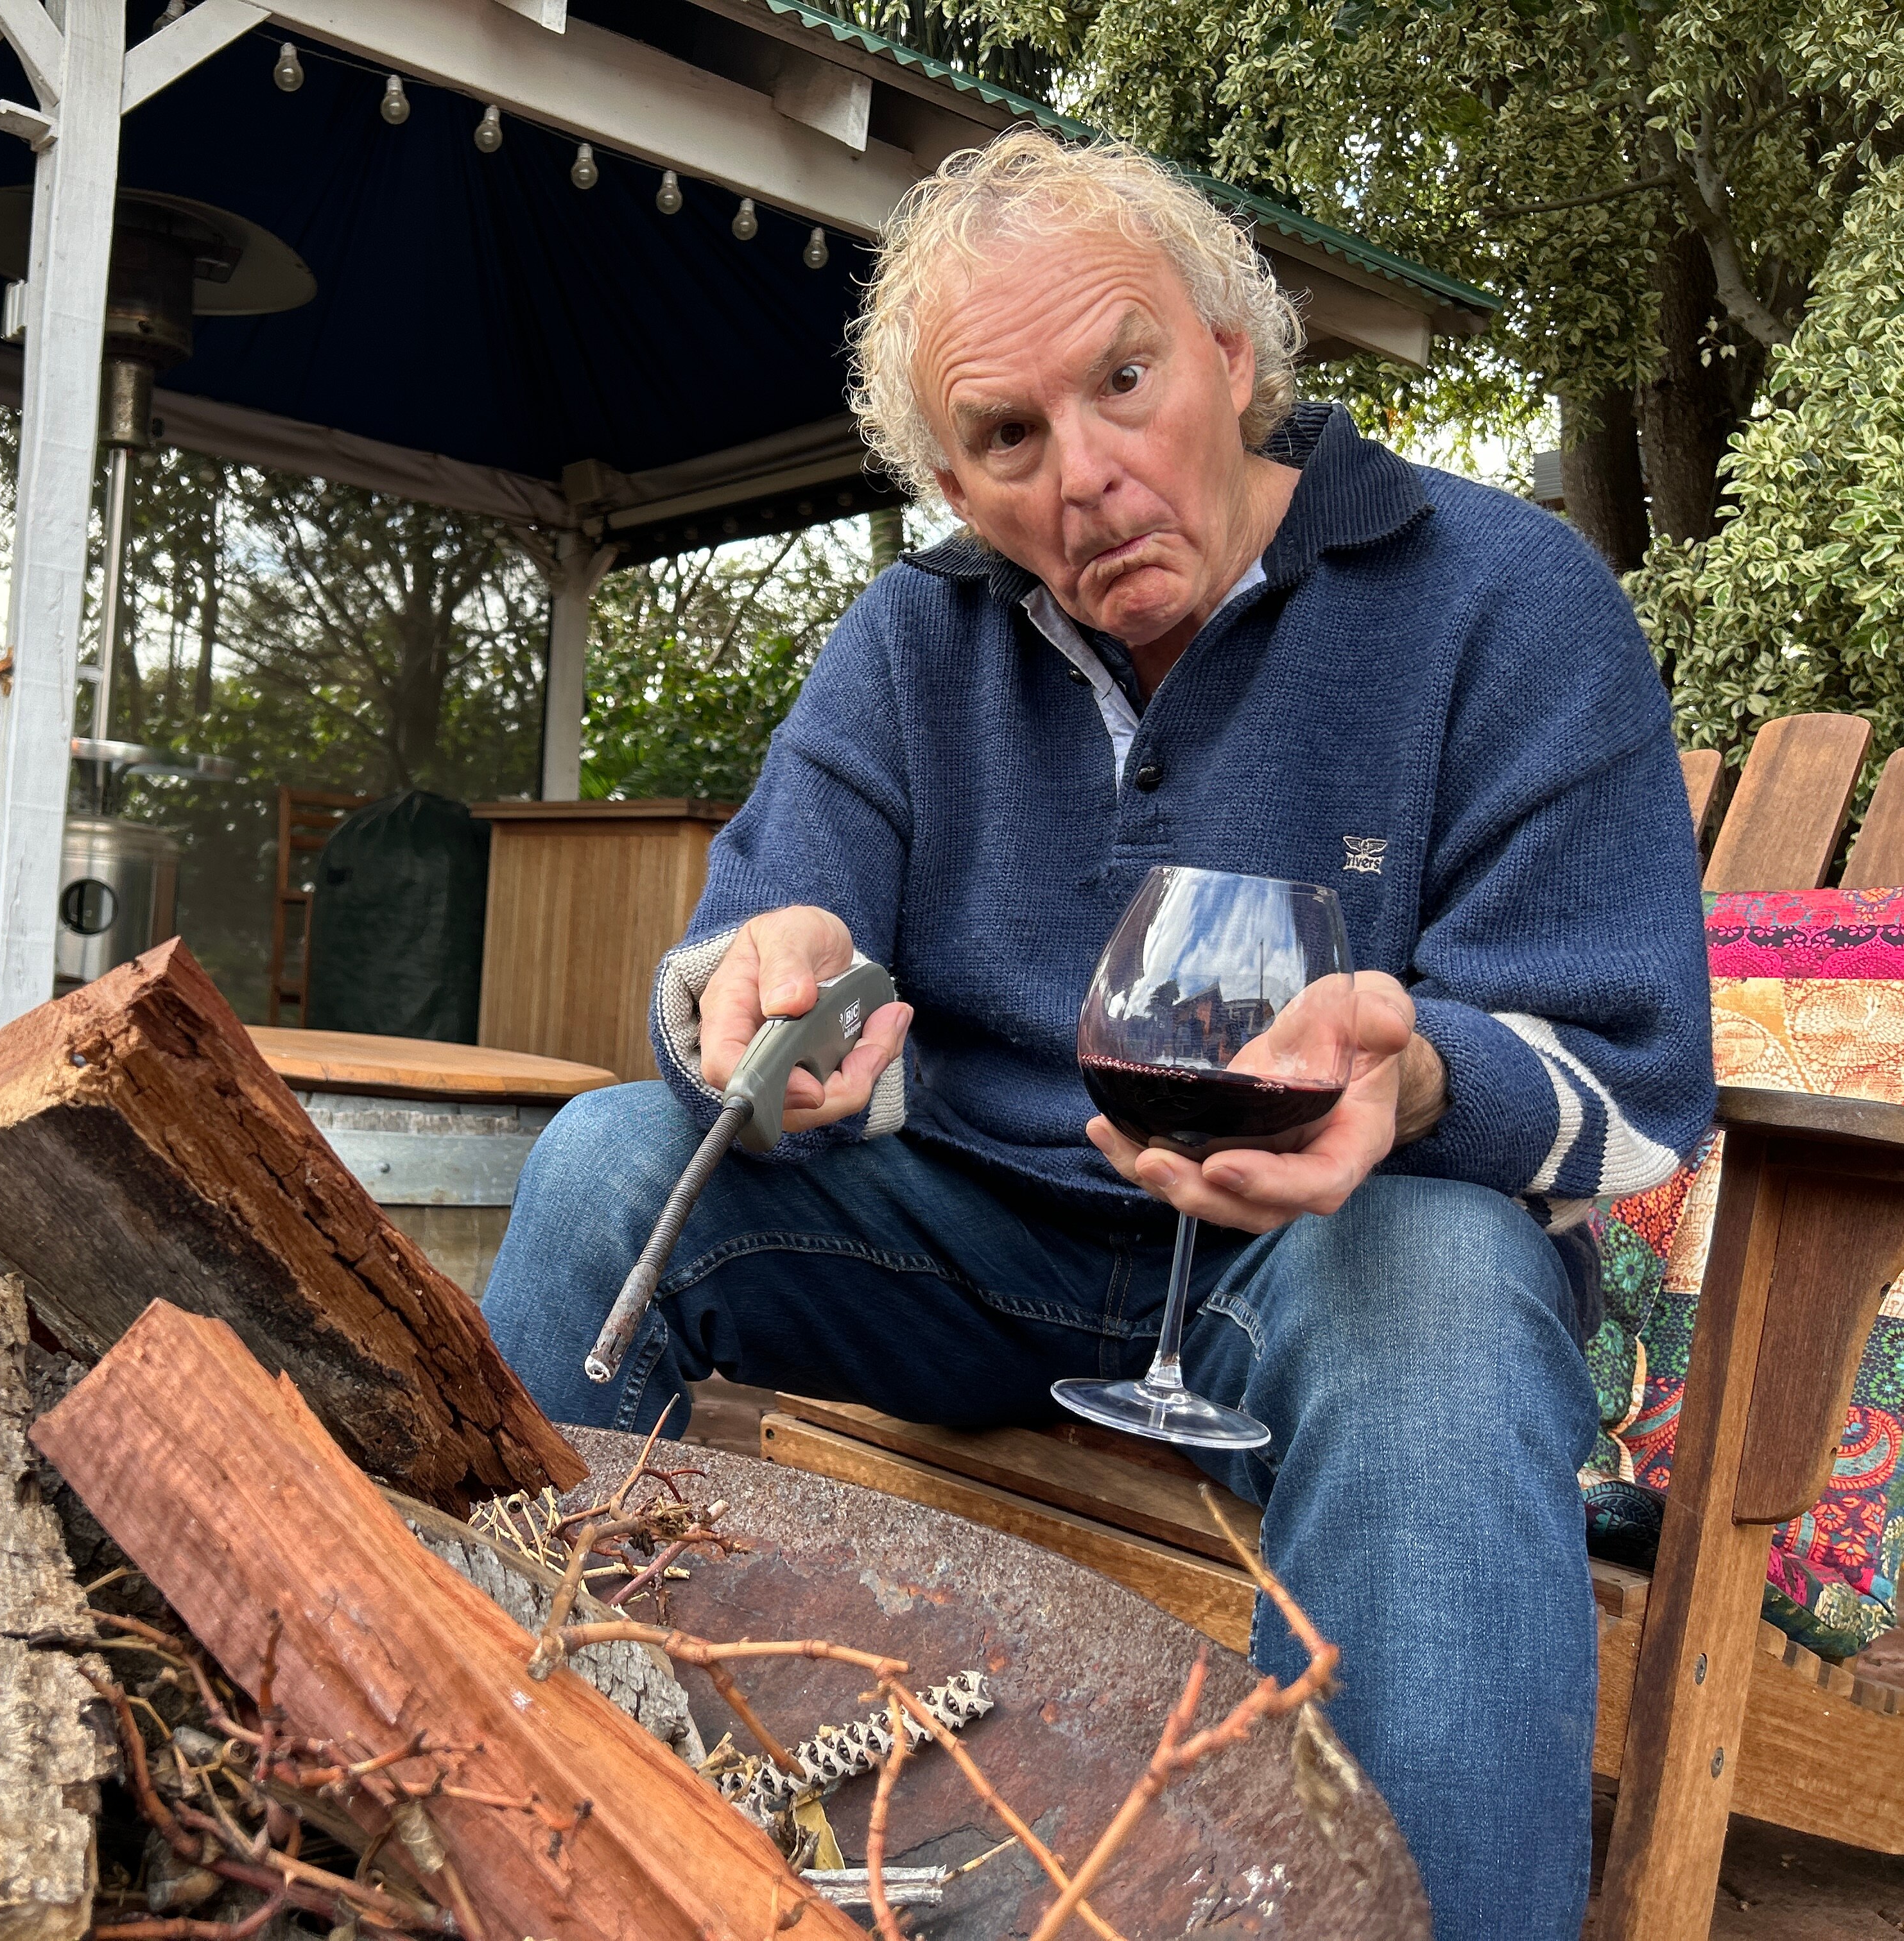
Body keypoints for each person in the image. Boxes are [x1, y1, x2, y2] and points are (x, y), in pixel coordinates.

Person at [481, 129, 1716, 1940]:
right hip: (967, 1243)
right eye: (1007, 437)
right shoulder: (914, 645)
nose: (1089, 476)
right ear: (957, 485)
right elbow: (743, 964)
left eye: (1123, 378)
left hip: (1310, 1262)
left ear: (1231, 352)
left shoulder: (1505, 601)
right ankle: (463, 1749)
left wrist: (1424, 1072)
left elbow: (1634, 1091)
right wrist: (766, 991)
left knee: (1444, 1282)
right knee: (607, 1156)